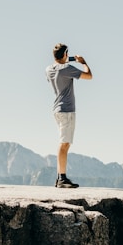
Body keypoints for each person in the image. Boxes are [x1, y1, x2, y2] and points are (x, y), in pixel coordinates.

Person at [45, 43, 93, 188]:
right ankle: (62, 178)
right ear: (65, 54)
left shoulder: (49, 69)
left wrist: (67, 60)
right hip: (67, 110)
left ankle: (60, 177)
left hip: (57, 109)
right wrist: (83, 63)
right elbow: (89, 76)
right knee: (64, 143)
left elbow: (58, 68)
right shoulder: (67, 68)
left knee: (64, 142)